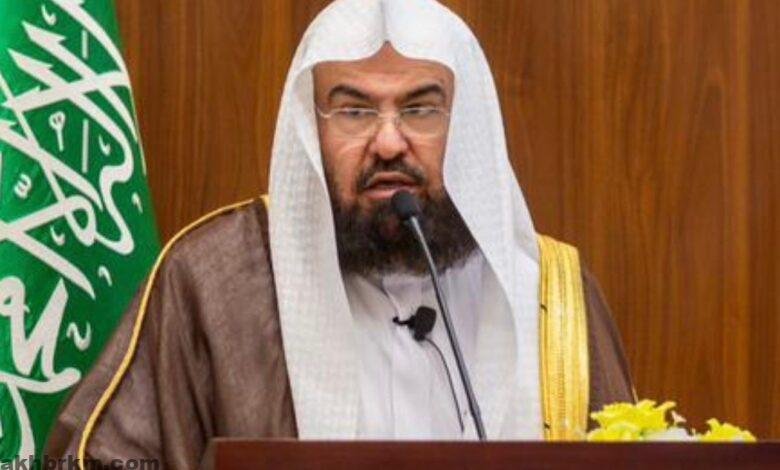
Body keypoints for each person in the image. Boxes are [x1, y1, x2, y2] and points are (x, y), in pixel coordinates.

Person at [47, 0, 634, 467]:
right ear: (312, 129)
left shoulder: (549, 296)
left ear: (467, 125)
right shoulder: (213, 282)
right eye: (354, 111)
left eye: (420, 109)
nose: (389, 142)